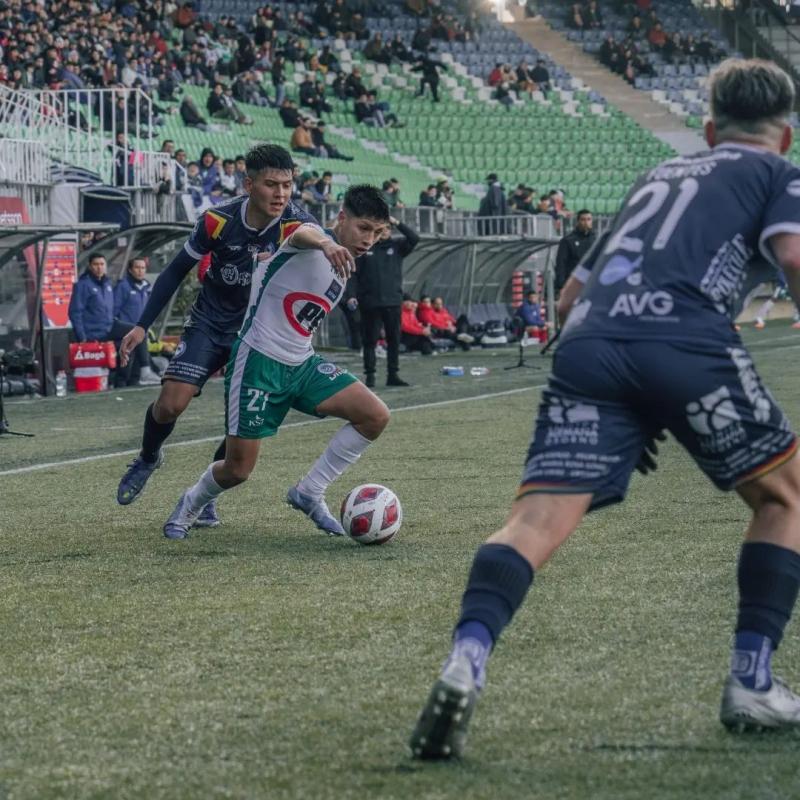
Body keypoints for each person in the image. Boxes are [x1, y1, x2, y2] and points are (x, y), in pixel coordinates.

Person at [409, 59, 800, 760]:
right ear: (787, 136)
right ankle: (752, 682)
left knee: (535, 517)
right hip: (685, 339)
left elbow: (567, 303)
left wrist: (632, 398)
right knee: (787, 498)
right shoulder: (776, 173)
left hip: (589, 346)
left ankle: (465, 659)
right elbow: (794, 256)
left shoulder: (653, 178)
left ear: (709, 129)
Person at [161, 185, 392, 540]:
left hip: (302, 365)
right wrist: (327, 243)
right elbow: (301, 233)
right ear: (341, 218)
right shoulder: (309, 240)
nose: (370, 239)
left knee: (375, 416)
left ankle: (309, 492)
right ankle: (190, 503)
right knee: (238, 470)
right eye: (364, 228)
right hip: (257, 363)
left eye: (377, 233)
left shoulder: (345, 268)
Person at [116, 145, 322, 524]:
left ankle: (205, 496)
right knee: (169, 404)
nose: (281, 194)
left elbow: (317, 247)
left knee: (240, 425)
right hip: (210, 324)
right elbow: (175, 270)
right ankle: (148, 456)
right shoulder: (217, 221)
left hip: (259, 334)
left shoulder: (296, 223)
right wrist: (142, 325)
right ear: (248, 184)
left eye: (288, 185)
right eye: (271, 184)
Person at [353, 216, 419, 388]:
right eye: (381, 229)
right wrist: (353, 295)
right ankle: (370, 376)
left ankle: (393, 374)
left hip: (392, 302)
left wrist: (397, 222)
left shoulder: (397, 247)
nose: (385, 232)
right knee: (370, 341)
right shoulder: (364, 247)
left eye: (388, 228)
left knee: (394, 339)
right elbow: (354, 275)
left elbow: (414, 238)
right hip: (370, 303)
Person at [113, 257, 161, 387]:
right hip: (126, 334)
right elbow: (114, 310)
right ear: (130, 270)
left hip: (140, 336)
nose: (140, 271)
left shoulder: (147, 287)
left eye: (143, 268)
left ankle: (142, 375)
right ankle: (144, 370)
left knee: (135, 374)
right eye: (137, 267)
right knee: (125, 371)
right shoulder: (123, 286)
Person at [554, 209, 595, 293]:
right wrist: (561, 285)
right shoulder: (568, 240)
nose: (586, 222)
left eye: (589, 219)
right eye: (583, 219)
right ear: (578, 221)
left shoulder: (596, 239)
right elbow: (561, 263)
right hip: (573, 283)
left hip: (591, 283)